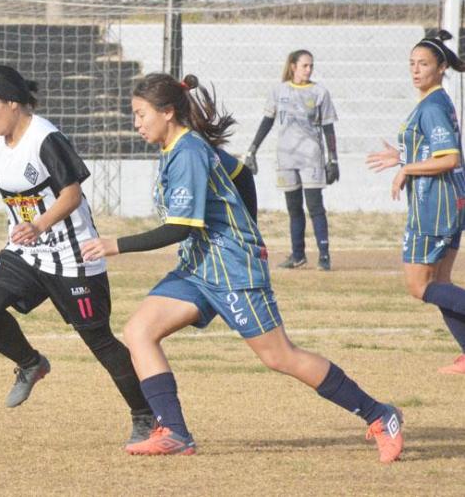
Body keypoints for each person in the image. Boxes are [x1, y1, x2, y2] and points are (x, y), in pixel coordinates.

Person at [81, 72, 404, 463]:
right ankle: (174, 432)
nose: (136, 123)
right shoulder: (179, 148)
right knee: (139, 331)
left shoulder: (189, 151)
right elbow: (241, 173)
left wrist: (116, 245)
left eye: (140, 114)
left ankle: (379, 415)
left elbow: (180, 226)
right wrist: (243, 223)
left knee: (279, 356)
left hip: (233, 269)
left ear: (167, 112)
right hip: (199, 267)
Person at [0, 65, 156, 446]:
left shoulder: (45, 139)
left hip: (72, 254)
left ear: (12, 103)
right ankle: (31, 364)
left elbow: (71, 194)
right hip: (27, 252)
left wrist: (40, 225)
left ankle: (146, 414)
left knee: (98, 339)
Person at [366, 30, 465, 375]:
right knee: (440, 283)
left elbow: (451, 157)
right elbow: (433, 149)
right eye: (412, 63)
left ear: (440, 69)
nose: (415, 70)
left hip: (434, 205)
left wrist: (406, 167)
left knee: (420, 286)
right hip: (446, 201)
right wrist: (402, 155)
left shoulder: (433, 106)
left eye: (423, 64)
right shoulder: (431, 103)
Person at [244, 50, 339, 270]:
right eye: (305, 65)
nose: (309, 70)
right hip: (286, 157)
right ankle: (298, 255)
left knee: (315, 206)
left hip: (311, 157)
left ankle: (324, 255)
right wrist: (252, 150)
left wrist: (332, 159)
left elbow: (328, 127)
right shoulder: (279, 91)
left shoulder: (319, 92)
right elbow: (267, 121)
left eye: (311, 66)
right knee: (294, 207)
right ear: (293, 66)